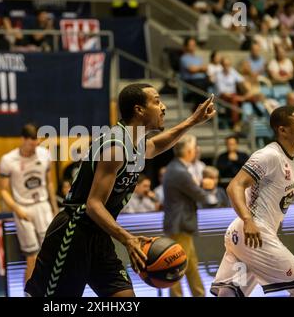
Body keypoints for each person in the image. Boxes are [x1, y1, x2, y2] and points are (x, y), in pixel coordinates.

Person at [25, 83, 216, 297]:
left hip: (99, 236)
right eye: (156, 101)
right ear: (139, 110)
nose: (163, 107)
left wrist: (192, 121)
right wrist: (128, 239)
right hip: (73, 234)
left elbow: (157, 146)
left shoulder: (134, 143)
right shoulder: (116, 146)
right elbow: (93, 205)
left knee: (125, 298)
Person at [211, 106, 294, 297]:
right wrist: (247, 220)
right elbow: (234, 186)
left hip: (241, 238)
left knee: (229, 294)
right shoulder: (268, 156)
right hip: (254, 233)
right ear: (282, 130)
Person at [0, 123, 59, 285]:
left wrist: (54, 208)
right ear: (22, 140)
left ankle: (51, 289)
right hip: (23, 207)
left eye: (37, 144)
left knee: (51, 251)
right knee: (31, 256)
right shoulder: (8, 160)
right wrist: (16, 209)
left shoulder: (44, 155)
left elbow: (50, 183)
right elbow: (4, 191)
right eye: (31, 144)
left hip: (42, 205)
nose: (34, 148)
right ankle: (28, 292)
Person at [163, 134, 215, 297]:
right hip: (180, 225)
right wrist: (209, 188)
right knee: (177, 266)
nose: (196, 151)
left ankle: (199, 294)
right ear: (189, 151)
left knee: (191, 264)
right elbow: (199, 195)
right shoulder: (180, 171)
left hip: (179, 225)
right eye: (194, 148)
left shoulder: (175, 168)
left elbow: (190, 189)